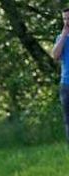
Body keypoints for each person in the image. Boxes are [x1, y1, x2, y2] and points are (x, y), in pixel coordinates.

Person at [52, 6, 69, 145]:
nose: (67, 21)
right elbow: (55, 55)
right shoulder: (60, 38)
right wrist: (64, 35)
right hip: (66, 86)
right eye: (64, 19)